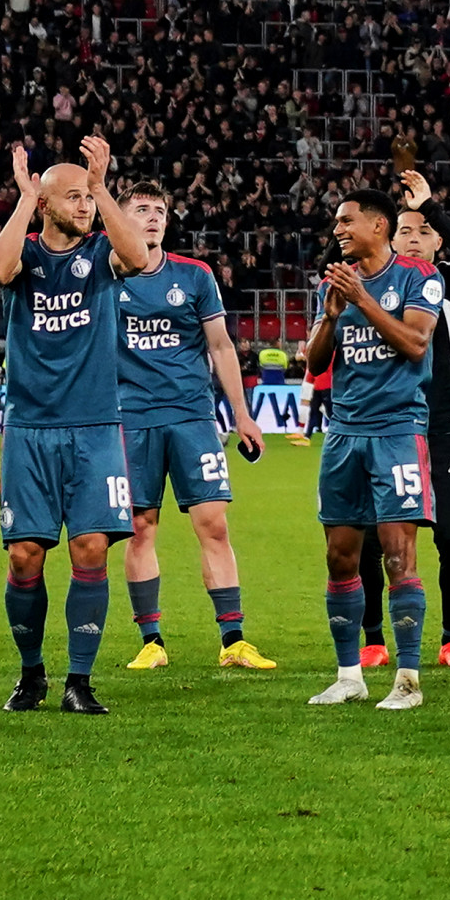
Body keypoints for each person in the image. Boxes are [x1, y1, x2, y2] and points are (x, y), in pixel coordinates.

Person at [0, 135, 158, 715]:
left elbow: (140, 259)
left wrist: (103, 187)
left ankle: (80, 680)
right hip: (29, 429)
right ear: (48, 204)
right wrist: (27, 198)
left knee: (90, 549)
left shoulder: (104, 251)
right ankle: (32, 676)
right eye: (73, 197)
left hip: (97, 427)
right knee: (25, 556)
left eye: (88, 196)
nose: (83, 205)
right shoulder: (25, 254)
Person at [110, 182, 270, 675]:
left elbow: (221, 347)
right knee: (140, 527)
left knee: (214, 525)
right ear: (120, 217)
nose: (153, 217)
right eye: (141, 210)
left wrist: (240, 413)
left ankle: (234, 639)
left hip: (192, 417)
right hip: (130, 420)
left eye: (160, 210)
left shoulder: (194, 275)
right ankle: (151, 640)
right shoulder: (102, 276)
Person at [303, 184, 443, 710]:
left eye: (346, 221)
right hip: (343, 433)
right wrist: (334, 313)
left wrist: (362, 299)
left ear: (378, 225)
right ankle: (349, 675)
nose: (337, 230)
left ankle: (407, 679)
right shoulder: (333, 284)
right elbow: (316, 366)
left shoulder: (418, 277)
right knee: (340, 556)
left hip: (396, 432)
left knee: (397, 554)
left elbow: (414, 344)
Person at [377, 173, 450, 667]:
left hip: (439, 434)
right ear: (389, 236)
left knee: (449, 537)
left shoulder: (445, 288)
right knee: (374, 542)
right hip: (386, 430)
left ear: (438, 241)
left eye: (424, 231)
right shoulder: (369, 282)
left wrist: (432, 206)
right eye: (405, 230)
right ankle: (372, 639)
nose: (414, 238)